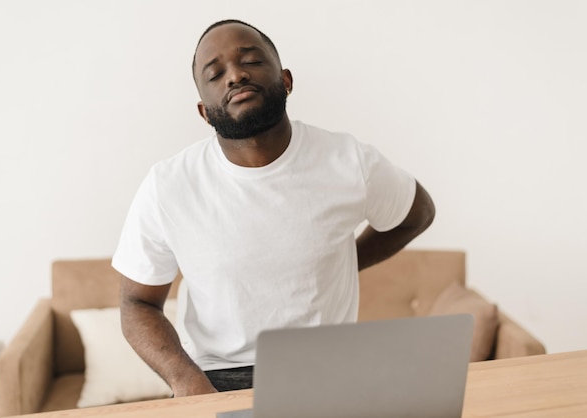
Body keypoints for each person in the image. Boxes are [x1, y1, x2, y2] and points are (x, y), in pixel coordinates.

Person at [112, 19, 435, 397]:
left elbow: (418, 213)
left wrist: (346, 258)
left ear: (286, 80)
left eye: (250, 60)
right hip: (215, 377)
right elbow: (137, 304)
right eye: (215, 74)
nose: (235, 75)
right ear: (204, 111)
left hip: (327, 369)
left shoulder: (349, 161)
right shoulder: (167, 185)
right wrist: (186, 380)